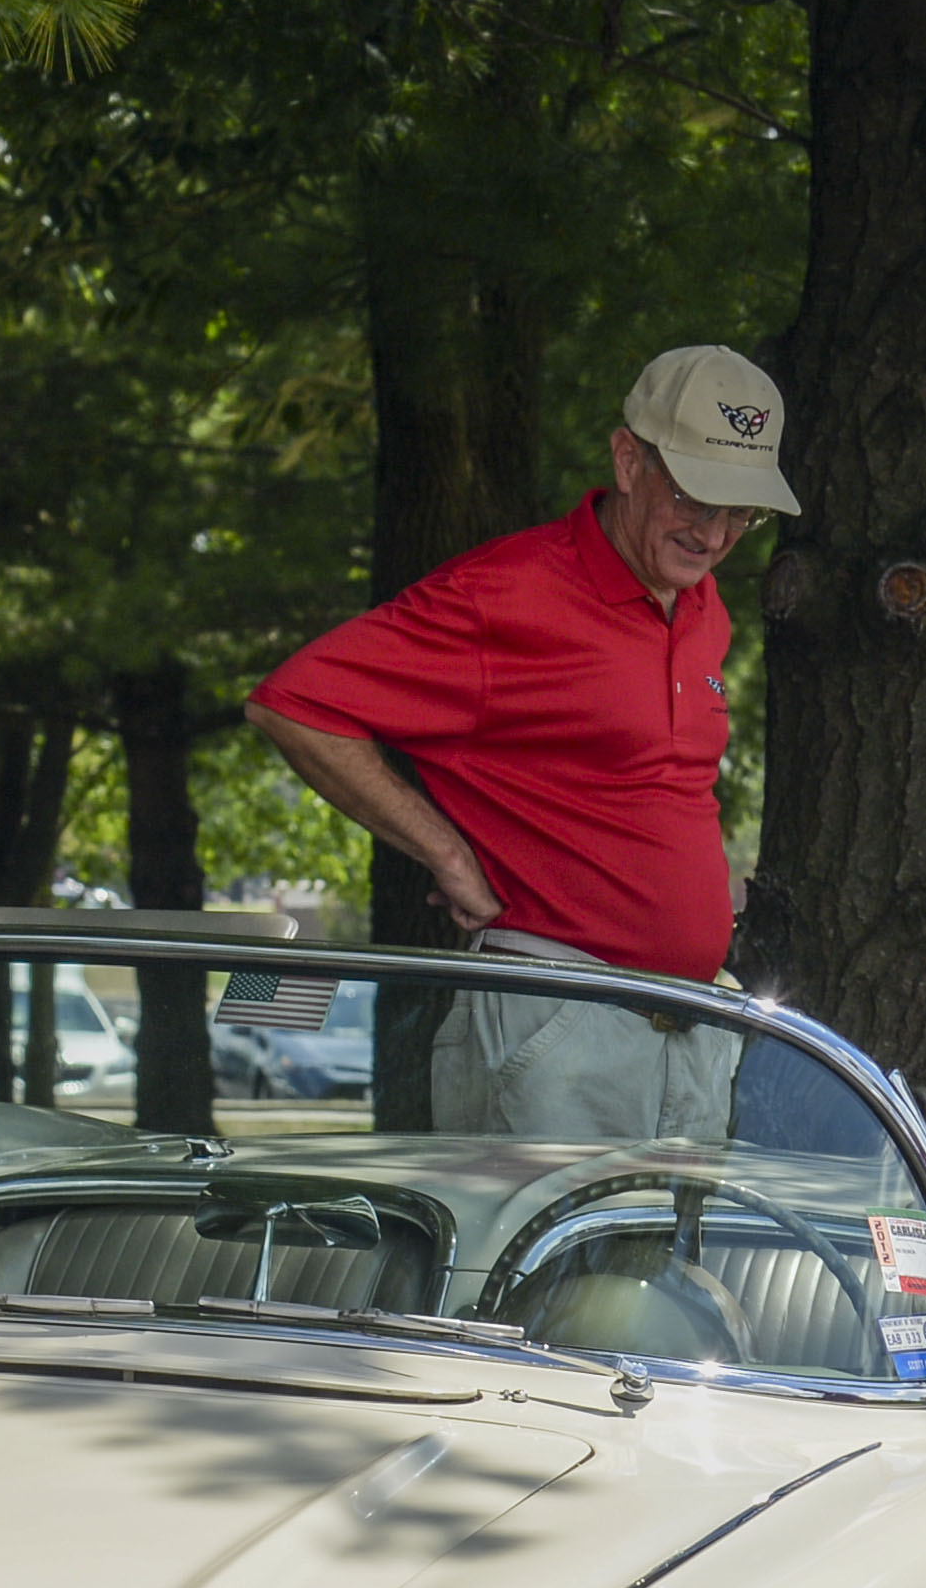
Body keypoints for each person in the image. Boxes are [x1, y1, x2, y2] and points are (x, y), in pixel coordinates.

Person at [243, 346, 795, 1141]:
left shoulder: (703, 607)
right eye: (695, 496)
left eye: (742, 511)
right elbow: (293, 705)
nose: (715, 534)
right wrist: (444, 850)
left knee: (654, 1268)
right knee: (530, 1268)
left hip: (685, 1026)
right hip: (557, 1019)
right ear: (628, 460)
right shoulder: (504, 593)